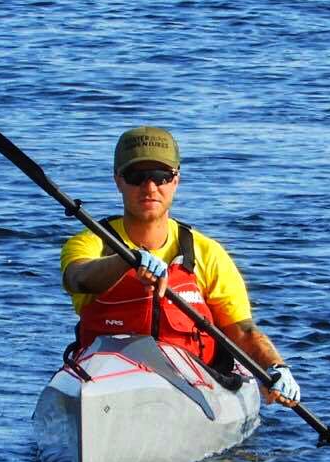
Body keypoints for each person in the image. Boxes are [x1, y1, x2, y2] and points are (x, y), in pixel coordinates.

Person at [59, 125, 303, 408]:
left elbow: (243, 332)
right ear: (118, 180)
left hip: (190, 381)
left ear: (176, 180)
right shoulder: (90, 243)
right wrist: (128, 260)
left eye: (161, 176)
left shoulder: (207, 253)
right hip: (105, 379)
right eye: (136, 177)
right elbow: (78, 277)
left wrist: (276, 367)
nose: (149, 187)